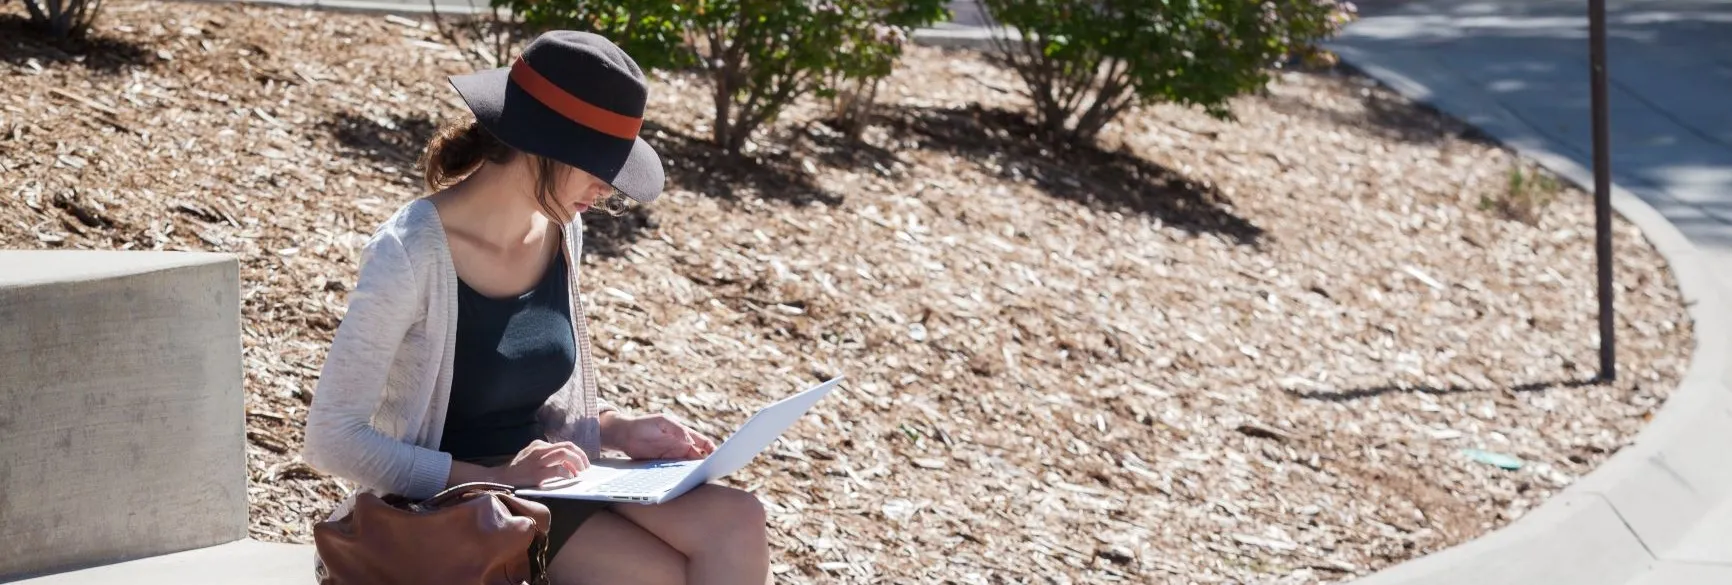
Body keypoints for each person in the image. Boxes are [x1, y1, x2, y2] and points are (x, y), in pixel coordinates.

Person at [303, 31, 771, 585]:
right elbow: (332, 437)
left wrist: (618, 430)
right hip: (451, 511)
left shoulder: (560, 230)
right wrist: (491, 476)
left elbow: (524, 395)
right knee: (658, 574)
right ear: (541, 144)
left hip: (550, 479)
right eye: (597, 163)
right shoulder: (409, 252)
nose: (607, 187)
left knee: (740, 517)